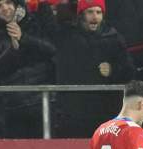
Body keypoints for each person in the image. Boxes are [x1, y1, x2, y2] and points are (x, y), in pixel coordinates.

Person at [54, 0, 134, 138]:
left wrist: (113, 70)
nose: (95, 16)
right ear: (81, 15)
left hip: (105, 111)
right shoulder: (68, 36)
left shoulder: (114, 38)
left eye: (98, 12)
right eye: (90, 12)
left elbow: (129, 71)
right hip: (75, 112)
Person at [0, 0, 56, 138]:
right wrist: (13, 49)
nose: (4, 8)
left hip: (43, 102)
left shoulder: (36, 24)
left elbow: (52, 49)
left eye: (8, 3)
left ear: (17, 5)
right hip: (13, 106)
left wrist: (23, 37)